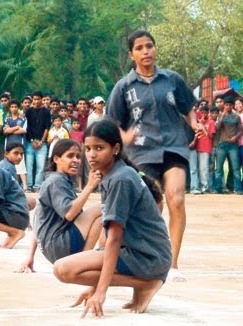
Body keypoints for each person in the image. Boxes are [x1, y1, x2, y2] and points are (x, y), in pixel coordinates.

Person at [106, 30, 201, 282]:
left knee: (176, 199)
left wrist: (194, 122)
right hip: (140, 153)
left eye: (149, 46)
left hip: (173, 147)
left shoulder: (172, 79)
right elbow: (112, 123)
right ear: (131, 54)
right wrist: (124, 137)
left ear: (155, 49)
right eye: (139, 48)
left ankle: (173, 264)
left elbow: (188, 106)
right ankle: (143, 253)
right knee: (151, 205)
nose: (145, 51)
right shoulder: (124, 87)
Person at [53, 119, 171, 318]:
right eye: (88, 148)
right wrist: (92, 286)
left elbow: (114, 239)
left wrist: (100, 291)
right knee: (69, 268)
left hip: (149, 257)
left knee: (63, 269)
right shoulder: (112, 175)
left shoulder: (121, 179)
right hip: (143, 253)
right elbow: (106, 235)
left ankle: (147, 284)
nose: (91, 154)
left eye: (99, 148)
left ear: (116, 148)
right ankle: (143, 284)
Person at [18, 139, 102, 273]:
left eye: (78, 157)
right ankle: (83, 261)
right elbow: (69, 213)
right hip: (59, 246)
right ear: (56, 159)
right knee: (102, 208)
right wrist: (90, 186)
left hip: (51, 248)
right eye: (70, 156)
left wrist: (30, 256)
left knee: (98, 218)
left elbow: (39, 220)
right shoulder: (56, 181)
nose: (76, 160)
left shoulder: (57, 180)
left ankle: (83, 258)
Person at [213, 96, 242, 194]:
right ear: (224, 106)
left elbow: (240, 130)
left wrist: (235, 138)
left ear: (233, 106)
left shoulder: (236, 116)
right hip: (221, 145)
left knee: (235, 168)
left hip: (233, 145)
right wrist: (223, 115)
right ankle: (218, 189)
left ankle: (238, 189)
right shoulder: (220, 116)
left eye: (230, 105)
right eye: (226, 105)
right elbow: (217, 127)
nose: (228, 107)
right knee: (219, 168)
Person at [25, 91, 51, 192]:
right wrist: (32, 141)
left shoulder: (46, 111)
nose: (36, 101)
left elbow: (47, 127)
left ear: (41, 99)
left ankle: (37, 186)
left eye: (38, 99)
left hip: (42, 143)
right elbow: (27, 127)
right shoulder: (29, 112)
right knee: (29, 165)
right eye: (34, 99)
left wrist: (41, 141)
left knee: (40, 166)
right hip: (29, 143)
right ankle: (29, 185)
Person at [0, 142, 36, 211]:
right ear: (6, 154)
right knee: (31, 201)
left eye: (21, 154)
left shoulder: (2, 164)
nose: (19, 157)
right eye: (16, 153)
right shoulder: (9, 168)